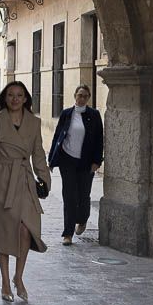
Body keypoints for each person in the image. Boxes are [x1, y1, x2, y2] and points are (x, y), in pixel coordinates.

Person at [0, 81, 52, 302]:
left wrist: (44, 179)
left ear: (26, 98)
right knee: (5, 231)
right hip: (0, 180)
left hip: (24, 180)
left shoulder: (34, 123)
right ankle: (5, 281)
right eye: (10, 95)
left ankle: (19, 276)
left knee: (26, 229)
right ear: (5, 98)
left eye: (19, 95)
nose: (15, 99)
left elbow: (38, 154)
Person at [48, 84, 104, 246]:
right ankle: (68, 233)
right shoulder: (66, 114)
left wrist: (96, 161)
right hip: (67, 160)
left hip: (86, 162)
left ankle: (82, 219)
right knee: (69, 196)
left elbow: (99, 140)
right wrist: (51, 160)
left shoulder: (94, 115)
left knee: (83, 194)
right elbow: (58, 137)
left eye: (85, 96)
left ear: (88, 98)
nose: (82, 98)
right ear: (74, 96)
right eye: (79, 95)